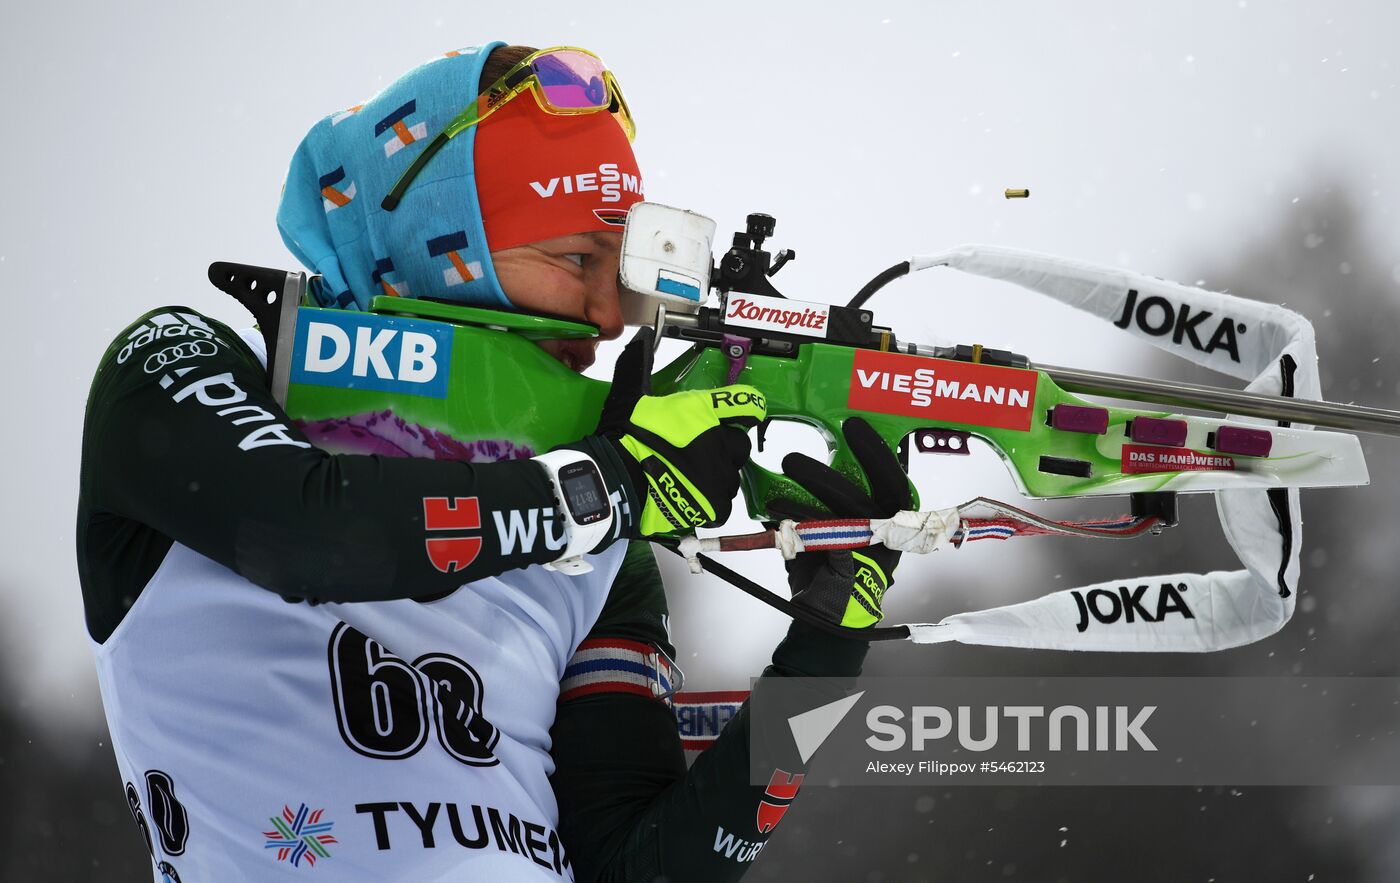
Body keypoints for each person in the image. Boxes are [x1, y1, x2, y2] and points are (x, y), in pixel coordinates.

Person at [77, 41, 911, 882]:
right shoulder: (187, 363)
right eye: (576, 260)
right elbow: (301, 531)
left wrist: (825, 650)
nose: (607, 318)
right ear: (439, 243)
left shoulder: (597, 541)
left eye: (619, 273)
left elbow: (641, 870)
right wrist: (609, 487)